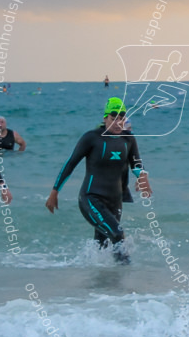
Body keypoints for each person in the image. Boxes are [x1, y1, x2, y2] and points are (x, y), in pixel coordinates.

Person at [46, 98, 151, 262]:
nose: (118, 122)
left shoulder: (128, 139)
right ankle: (126, 276)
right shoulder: (92, 137)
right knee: (117, 234)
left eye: (122, 117)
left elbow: (136, 163)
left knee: (104, 244)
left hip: (115, 201)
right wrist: (54, 192)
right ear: (105, 118)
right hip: (91, 198)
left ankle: (102, 281)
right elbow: (70, 163)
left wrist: (142, 177)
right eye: (113, 117)